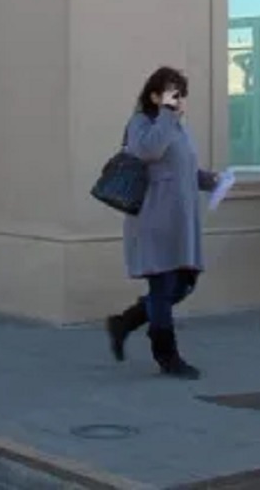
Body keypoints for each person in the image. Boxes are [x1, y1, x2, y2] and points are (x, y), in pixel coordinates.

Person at [103, 67, 221, 379]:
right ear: (154, 96)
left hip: (180, 221)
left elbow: (183, 167)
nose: (177, 100)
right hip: (154, 219)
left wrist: (210, 180)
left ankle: (126, 322)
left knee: (183, 283)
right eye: (171, 93)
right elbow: (148, 151)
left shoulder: (178, 127)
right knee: (163, 285)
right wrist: (168, 116)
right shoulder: (142, 123)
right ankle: (167, 354)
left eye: (180, 94)